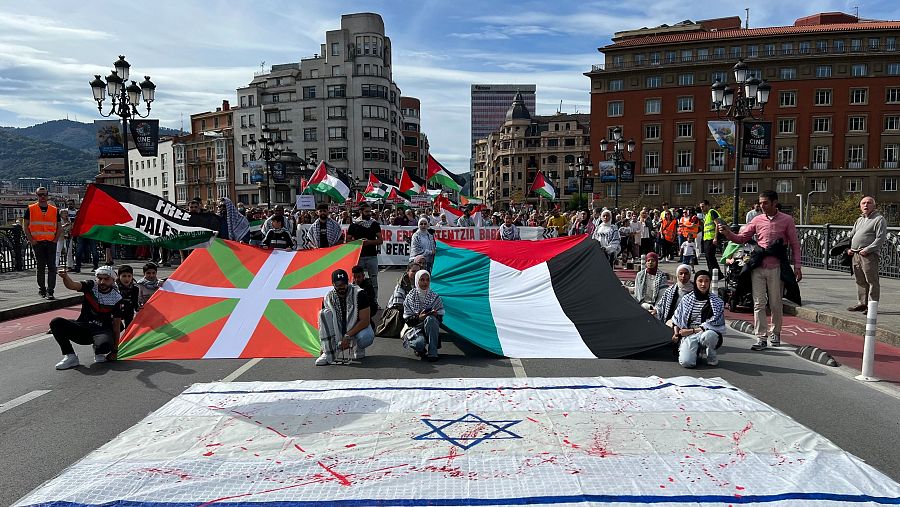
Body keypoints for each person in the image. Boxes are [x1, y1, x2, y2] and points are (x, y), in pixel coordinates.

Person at [718, 190, 801, 350]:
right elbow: (742, 239)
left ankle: (775, 333)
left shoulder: (787, 220)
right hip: (758, 267)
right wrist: (728, 233)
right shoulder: (757, 220)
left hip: (776, 268)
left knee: (776, 303)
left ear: (774, 203)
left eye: (765, 203)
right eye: (760, 203)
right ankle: (761, 337)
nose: (761, 206)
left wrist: (797, 266)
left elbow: (795, 244)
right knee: (758, 303)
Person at [50, 266, 125, 369]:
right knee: (56, 322)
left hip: (102, 330)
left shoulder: (117, 298)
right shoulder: (91, 285)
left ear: (113, 280)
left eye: (106, 279)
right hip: (84, 328)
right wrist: (65, 277)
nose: (102, 281)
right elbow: (73, 285)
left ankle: (99, 350)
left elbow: (116, 326)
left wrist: (115, 351)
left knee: (104, 345)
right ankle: (71, 357)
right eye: (99, 278)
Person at [315, 269, 374, 365]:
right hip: (338, 329)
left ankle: (359, 347)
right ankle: (328, 352)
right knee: (323, 313)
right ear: (333, 284)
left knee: (366, 337)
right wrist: (324, 346)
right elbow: (324, 324)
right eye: (338, 285)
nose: (341, 287)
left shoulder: (359, 294)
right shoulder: (328, 297)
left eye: (344, 284)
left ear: (348, 282)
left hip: (357, 328)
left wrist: (347, 336)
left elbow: (365, 321)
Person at [671, 270, 726, 368]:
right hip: (688, 334)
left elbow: (716, 323)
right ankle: (695, 351)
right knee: (686, 362)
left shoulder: (717, 302)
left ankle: (711, 356)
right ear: (695, 282)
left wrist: (693, 330)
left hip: (703, 332)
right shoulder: (687, 299)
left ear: (710, 283)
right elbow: (677, 319)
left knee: (710, 335)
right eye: (700, 281)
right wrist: (676, 334)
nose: (703, 284)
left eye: (706, 281)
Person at [846, 196, 887, 312]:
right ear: (860, 207)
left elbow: (880, 238)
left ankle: (872, 306)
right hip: (855, 254)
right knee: (860, 280)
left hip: (868, 255)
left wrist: (868, 249)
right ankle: (862, 303)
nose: (866, 205)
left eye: (869, 203)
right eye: (863, 203)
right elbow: (851, 235)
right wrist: (849, 248)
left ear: (874, 205)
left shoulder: (879, 219)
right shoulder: (859, 220)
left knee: (872, 281)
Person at [24, 187, 62, 299]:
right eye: (40, 195)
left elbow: (59, 226)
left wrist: (55, 240)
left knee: (52, 267)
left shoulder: (54, 210)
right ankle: (42, 289)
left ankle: (51, 291)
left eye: (44, 194)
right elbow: (25, 226)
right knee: (40, 267)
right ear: (37, 195)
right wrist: (32, 240)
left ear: (47, 195)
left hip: (50, 242)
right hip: (38, 242)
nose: (42, 197)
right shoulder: (31, 209)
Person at [402, 269, 444, 361]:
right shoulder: (410, 297)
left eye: (428, 280)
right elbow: (407, 319)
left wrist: (435, 315)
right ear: (417, 280)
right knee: (418, 344)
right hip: (415, 328)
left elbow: (440, 317)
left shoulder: (435, 297)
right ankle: (420, 349)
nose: (425, 282)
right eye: (422, 280)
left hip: (430, 327)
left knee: (431, 319)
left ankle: (433, 352)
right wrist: (419, 318)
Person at [346, 203, 383, 294]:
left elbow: (380, 240)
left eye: (370, 211)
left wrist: (369, 242)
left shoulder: (374, 224)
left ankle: (374, 301)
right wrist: (359, 242)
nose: (369, 213)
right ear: (360, 211)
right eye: (366, 212)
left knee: (373, 280)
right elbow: (348, 240)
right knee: (357, 280)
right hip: (358, 257)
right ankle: (357, 299)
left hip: (372, 256)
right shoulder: (354, 225)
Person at [699, 200, 723, 275]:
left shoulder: (712, 212)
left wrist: (715, 238)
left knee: (710, 256)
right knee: (708, 256)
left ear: (707, 205)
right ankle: (715, 273)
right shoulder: (706, 215)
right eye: (700, 207)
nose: (702, 208)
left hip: (712, 238)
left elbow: (717, 224)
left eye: (703, 206)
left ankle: (715, 273)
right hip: (707, 238)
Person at [115, 264, 140, 329]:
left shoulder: (135, 288)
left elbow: (135, 301)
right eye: (124, 276)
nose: (127, 279)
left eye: (129, 276)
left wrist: (138, 308)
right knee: (119, 328)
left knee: (129, 328)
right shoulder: (114, 287)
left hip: (129, 311)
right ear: (118, 276)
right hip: (116, 312)